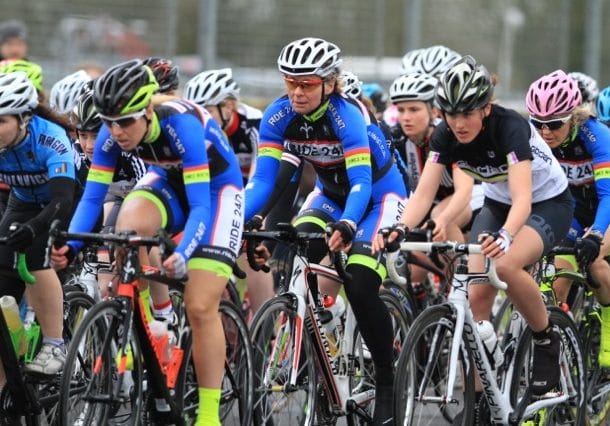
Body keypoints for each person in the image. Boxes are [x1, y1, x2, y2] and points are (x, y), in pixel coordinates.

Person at [50, 59, 244, 425]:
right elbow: (93, 199)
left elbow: (201, 205)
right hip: (167, 183)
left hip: (217, 194)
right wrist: (71, 246)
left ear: (148, 110)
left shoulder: (182, 124)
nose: (116, 132)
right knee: (127, 225)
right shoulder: (112, 130)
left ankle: (207, 415)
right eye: (109, 122)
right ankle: (157, 322)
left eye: (125, 122)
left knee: (201, 306)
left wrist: (185, 252)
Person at [373, 56, 573, 401]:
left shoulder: (509, 127)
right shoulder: (446, 136)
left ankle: (545, 339)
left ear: (486, 108)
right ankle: (481, 402)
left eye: (467, 113)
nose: (459, 123)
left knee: (507, 265)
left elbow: (523, 198)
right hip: (498, 205)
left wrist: (506, 236)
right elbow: (424, 194)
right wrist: (398, 228)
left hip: (547, 203)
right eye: (451, 114)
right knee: (477, 294)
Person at [244, 37, 407, 425]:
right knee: (296, 246)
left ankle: (386, 378)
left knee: (362, 281)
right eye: (291, 82)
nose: (297, 92)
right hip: (330, 195)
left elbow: (362, 183)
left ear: (329, 83)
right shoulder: (278, 115)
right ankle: (319, 342)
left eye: (307, 84)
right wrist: (245, 222)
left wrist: (350, 224)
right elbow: (263, 181)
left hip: (376, 197)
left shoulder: (347, 115)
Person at [526, 70, 610, 367]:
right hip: (573, 210)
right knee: (556, 274)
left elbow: (607, 194)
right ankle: (557, 343)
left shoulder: (596, 135)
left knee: (596, 260)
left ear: (573, 117)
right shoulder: (534, 137)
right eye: (538, 123)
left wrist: (597, 234)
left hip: (605, 206)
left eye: (553, 124)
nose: (545, 132)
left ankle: (609, 326)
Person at [0, 71, 77, 381]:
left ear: (24, 118)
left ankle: (55, 344)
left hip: (60, 201)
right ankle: (15, 349)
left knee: (34, 253)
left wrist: (35, 228)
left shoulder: (50, 139)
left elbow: (62, 199)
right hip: (22, 201)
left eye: (1, 121)